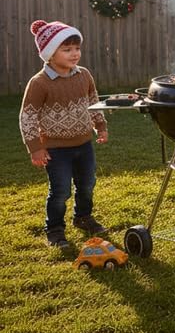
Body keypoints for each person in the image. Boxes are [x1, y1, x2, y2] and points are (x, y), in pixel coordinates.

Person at [19, 19, 109, 250]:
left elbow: (93, 101)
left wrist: (100, 125)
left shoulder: (84, 75)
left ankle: (83, 217)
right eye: (67, 49)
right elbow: (27, 116)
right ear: (50, 54)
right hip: (56, 149)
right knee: (60, 191)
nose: (74, 53)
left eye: (77, 48)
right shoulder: (39, 83)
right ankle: (55, 230)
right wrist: (35, 147)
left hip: (84, 144)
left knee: (87, 184)